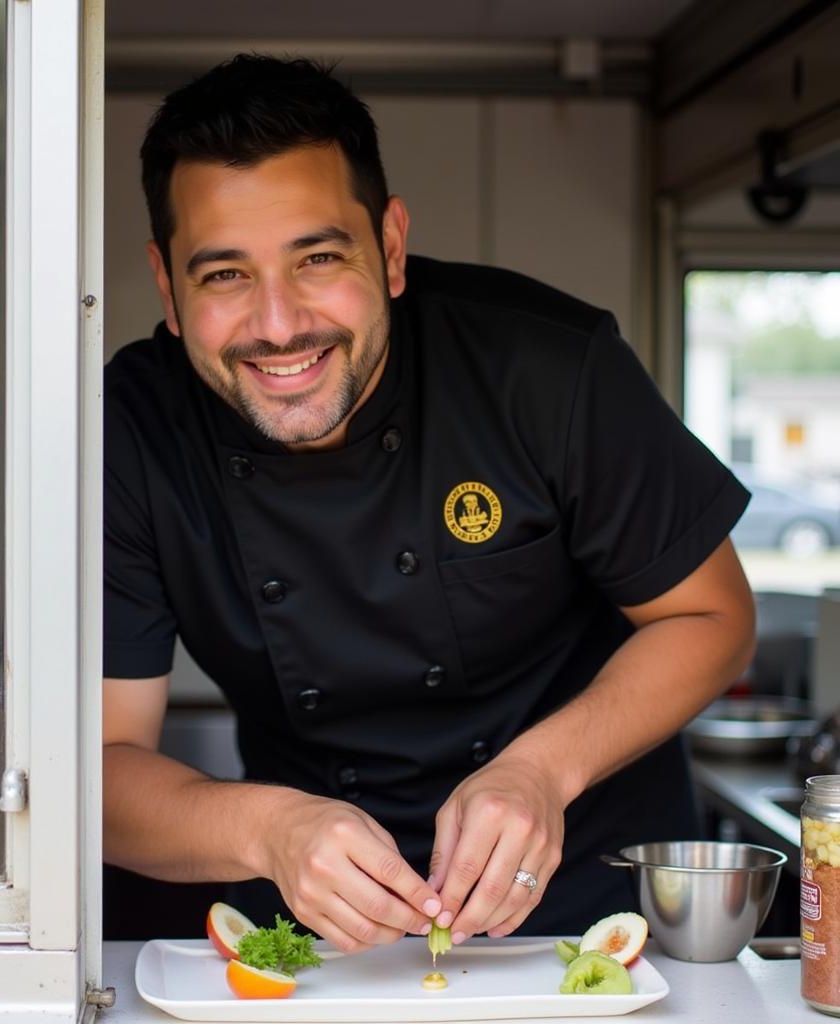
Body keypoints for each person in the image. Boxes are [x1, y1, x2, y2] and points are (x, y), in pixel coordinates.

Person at [103, 54, 755, 949]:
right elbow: (99, 769)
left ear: (392, 247)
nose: (280, 323)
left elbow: (712, 614)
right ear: (166, 285)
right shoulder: (134, 431)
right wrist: (269, 829)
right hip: (310, 932)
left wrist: (540, 772)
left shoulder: (546, 368)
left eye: (319, 257)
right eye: (224, 275)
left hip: (582, 915)